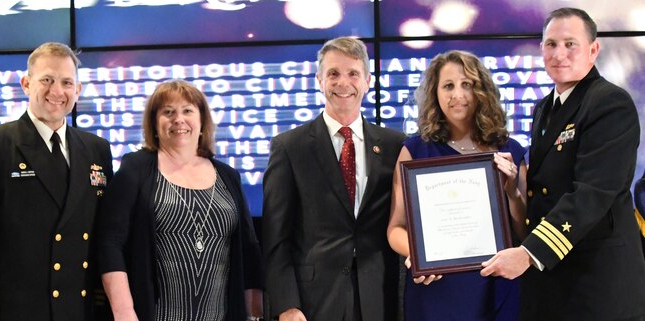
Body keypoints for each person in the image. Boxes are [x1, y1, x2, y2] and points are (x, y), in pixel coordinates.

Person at [479, 7, 645, 321]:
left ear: (593, 50)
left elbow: (592, 194)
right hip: (552, 282)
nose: (560, 54)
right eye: (551, 44)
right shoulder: (544, 108)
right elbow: (544, 192)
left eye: (571, 44)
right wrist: (514, 189)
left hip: (596, 284)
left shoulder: (609, 103)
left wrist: (529, 253)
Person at [0, 42, 114, 321]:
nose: (57, 92)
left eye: (66, 82)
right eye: (46, 80)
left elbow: (100, 237)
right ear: (26, 84)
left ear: (78, 90)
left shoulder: (96, 149)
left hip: (78, 312)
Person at [262, 36, 406, 321]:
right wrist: (286, 305)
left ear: (367, 81)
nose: (343, 83)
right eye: (333, 74)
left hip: (380, 297)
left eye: (353, 73)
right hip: (313, 302)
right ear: (319, 79)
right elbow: (275, 239)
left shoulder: (395, 145)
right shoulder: (289, 147)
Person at [95, 80, 264, 321]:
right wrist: (124, 312)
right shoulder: (136, 169)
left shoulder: (229, 176)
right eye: (168, 112)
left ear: (202, 121)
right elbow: (110, 243)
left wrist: (255, 313)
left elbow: (248, 250)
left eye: (187, 110)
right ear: (154, 123)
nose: (178, 119)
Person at [386, 50, 527, 321]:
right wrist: (419, 256)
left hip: (496, 284)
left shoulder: (510, 151)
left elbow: (522, 231)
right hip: (435, 288)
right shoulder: (414, 150)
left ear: (481, 91)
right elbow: (395, 229)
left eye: (467, 85)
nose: (457, 95)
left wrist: (512, 192)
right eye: (448, 86)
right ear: (434, 93)